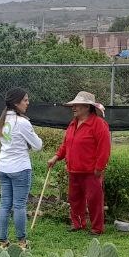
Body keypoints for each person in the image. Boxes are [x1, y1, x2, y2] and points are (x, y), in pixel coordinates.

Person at [47, 91, 111, 235]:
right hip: (73, 170)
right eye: (73, 105)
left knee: (94, 200)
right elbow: (66, 145)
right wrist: (56, 157)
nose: (73, 108)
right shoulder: (73, 124)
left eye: (77, 105)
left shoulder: (99, 124)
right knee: (75, 199)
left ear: (87, 107)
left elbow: (104, 148)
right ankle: (78, 224)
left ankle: (97, 228)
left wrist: (99, 167)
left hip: (91, 171)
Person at [0, 87, 44, 249]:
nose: (28, 103)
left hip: (3, 167)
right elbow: (38, 145)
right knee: (19, 205)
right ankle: (22, 242)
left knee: (4, 204)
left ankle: (3, 241)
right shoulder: (22, 122)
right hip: (20, 168)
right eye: (25, 100)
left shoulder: (2, 121)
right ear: (16, 103)